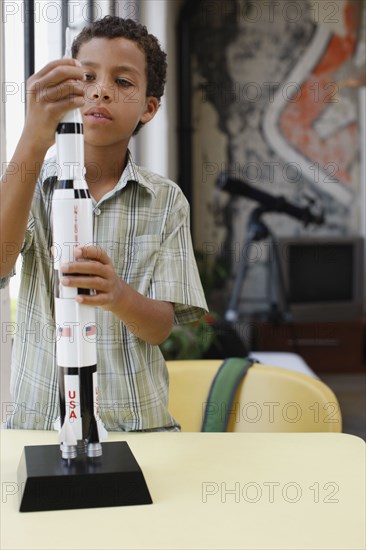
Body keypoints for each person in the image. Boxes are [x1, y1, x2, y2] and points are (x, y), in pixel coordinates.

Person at [0, 16, 207, 432]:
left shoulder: (165, 200)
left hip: (138, 429)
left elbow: (159, 327)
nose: (100, 91)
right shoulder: (31, 182)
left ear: (149, 107)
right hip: (40, 427)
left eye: (123, 82)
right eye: (88, 77)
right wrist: (34, 136)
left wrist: (118, 295)